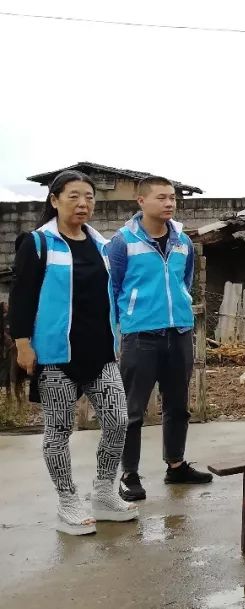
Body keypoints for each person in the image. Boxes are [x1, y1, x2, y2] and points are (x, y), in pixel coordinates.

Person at [9, 171, 138, 534]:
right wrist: (22, 343)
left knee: (117, 422)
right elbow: (21, 296)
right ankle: (67, 500)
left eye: (89, 198)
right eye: (74, 197)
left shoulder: (100, 244)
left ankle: (103, 492)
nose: (83, 204)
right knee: (59, 429)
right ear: (54, 200)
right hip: (55, 355)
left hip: (99, 351)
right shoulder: (38, 243)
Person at [108, 176, 211, 501]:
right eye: (162, 197)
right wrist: (115, 337)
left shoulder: (182, 241)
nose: (169, 203)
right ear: (141, 201)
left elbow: (185, 280)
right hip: (140, 336)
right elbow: (112, 290)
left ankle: (176, 465)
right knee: (133, 411)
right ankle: (129, 474)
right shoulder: (122, 242)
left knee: (178, 406)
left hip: (178, 332)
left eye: (172, 198)